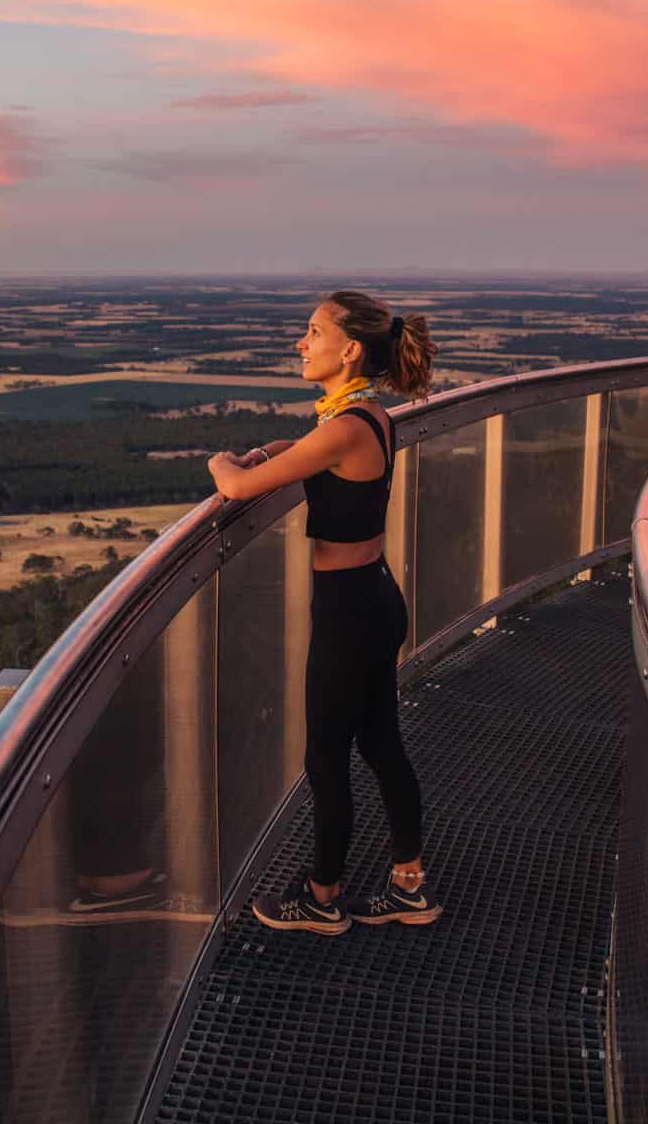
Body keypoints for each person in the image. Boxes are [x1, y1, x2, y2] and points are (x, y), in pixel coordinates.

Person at [206, 290, 442, 935]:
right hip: (375, 596)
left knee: (326, 754)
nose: (301, 344)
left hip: (348, 611)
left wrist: (221, 459)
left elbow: (236, 487)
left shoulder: (343, 429)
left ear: (350, 349)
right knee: (379, 742)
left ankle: (320, 897)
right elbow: (325, 454)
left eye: (312, 333)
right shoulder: (368, 417)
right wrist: (286, 448)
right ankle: (408, 885)